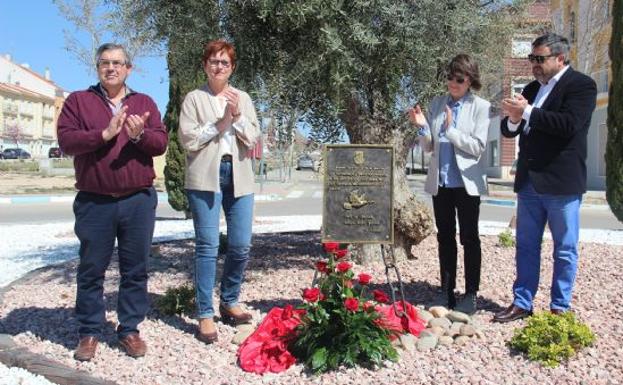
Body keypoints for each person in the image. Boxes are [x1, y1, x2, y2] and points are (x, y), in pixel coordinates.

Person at [57, 43, 168, 360]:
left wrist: (139, 136)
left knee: (136, 270)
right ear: (97, 67)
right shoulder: (79, 101)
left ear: (128, 69)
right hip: (95, 202)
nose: (111, 68)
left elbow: (159, 143)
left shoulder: (143, 102)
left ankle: (129, 329)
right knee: (91, 269)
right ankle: (89, 331)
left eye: (118, 63)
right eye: (105, 62)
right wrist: (104, 134)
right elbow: (67, 141)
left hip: (138, 201)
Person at [493, 33, 597, 322]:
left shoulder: (581, 86)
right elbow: (510, 129)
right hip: (529, 182)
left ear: (560, 58)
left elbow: (569, 125)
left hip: (561, 183)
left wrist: (525, 111)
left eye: (540, 59)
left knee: (564, 248)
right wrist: (514, 118)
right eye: (531, 59)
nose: (534, 65)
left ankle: (559, 309)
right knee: (526, 246)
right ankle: (522, 302)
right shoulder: (530, 88)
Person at [179, 40, 259, 344]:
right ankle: (204, 312)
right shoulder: (194, 99)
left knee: (240, 245)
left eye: (224, 62)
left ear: (232, 67)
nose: (219, 66)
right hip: (205, 177)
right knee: (207, 246)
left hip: (239, 176)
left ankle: (229, 299)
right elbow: (189, 139)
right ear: (205, 65)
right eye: (213, 61)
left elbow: (252, 138)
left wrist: (236, 118)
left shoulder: (244, 98)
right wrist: (220, 123)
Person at [407, 54, 490, 314]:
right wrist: (422, 128)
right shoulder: (437, 103)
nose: (453, 83)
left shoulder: (481, 107)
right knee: (445, 238)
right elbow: (430, 146)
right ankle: (446, 291)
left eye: (459, 78)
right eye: (449, 77)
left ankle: (471, 294)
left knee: (469, 238)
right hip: (440, 182)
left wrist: (452, 131)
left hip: (466, 185)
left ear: (470, 80)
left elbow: (477, 147)